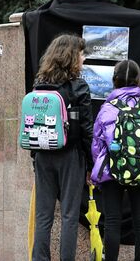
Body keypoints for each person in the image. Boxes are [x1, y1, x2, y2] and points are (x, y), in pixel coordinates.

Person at [90, 59, 140, 261]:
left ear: (114, 80)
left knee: (112, 221)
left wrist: (101, 165)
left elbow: (97, 144)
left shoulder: (107, 108)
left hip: (112, 169)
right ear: (138, 80)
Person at [31, 34, 93, 261]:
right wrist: (90, 163)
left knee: (43, 215)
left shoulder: (39, 84)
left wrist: (34, 157)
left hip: (43, 155)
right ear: (71, 57)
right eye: (81, 53)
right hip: (70, 155)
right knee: (69, 214)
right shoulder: (79, 87)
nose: (83, 57)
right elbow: (87, 130)